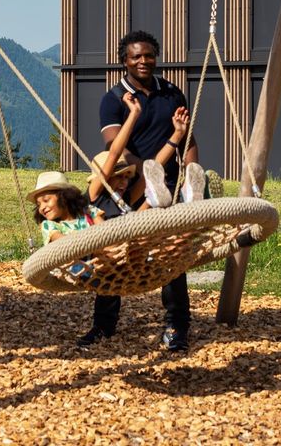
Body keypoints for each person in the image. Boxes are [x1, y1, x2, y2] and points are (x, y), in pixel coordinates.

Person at [84, 29, 202, 353]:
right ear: (125, 61)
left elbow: (187, 138)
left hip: (169, 185)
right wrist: (146, 174)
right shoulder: (114, 99)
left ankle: (177, 325)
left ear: (156, 57)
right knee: (113, 255)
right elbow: (115, 149)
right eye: (136, 56)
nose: (143, 61)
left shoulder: (172, 93)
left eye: (149, 55)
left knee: (170, 258)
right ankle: (104, 326)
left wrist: (190, 171)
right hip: (130, 183)